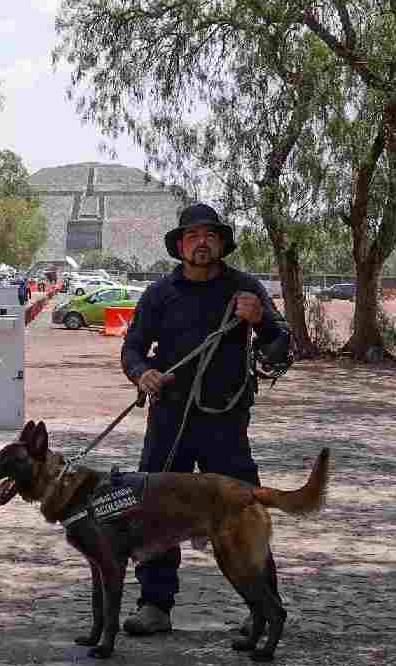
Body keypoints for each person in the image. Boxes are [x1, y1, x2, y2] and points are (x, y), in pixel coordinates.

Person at [119, 203, 291, 636]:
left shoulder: (245, 289)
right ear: (179, 245)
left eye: (209, 235)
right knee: (154, 513)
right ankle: (155, 605)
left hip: (225, 424)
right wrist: (143, 374)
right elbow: (133, 349)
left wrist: (262, 319)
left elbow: (280, 347)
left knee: (242, 514)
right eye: (192, 236)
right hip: (169, 422)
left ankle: (263, 608)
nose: (201, 242)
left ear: (221, 243)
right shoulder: (159, 293)